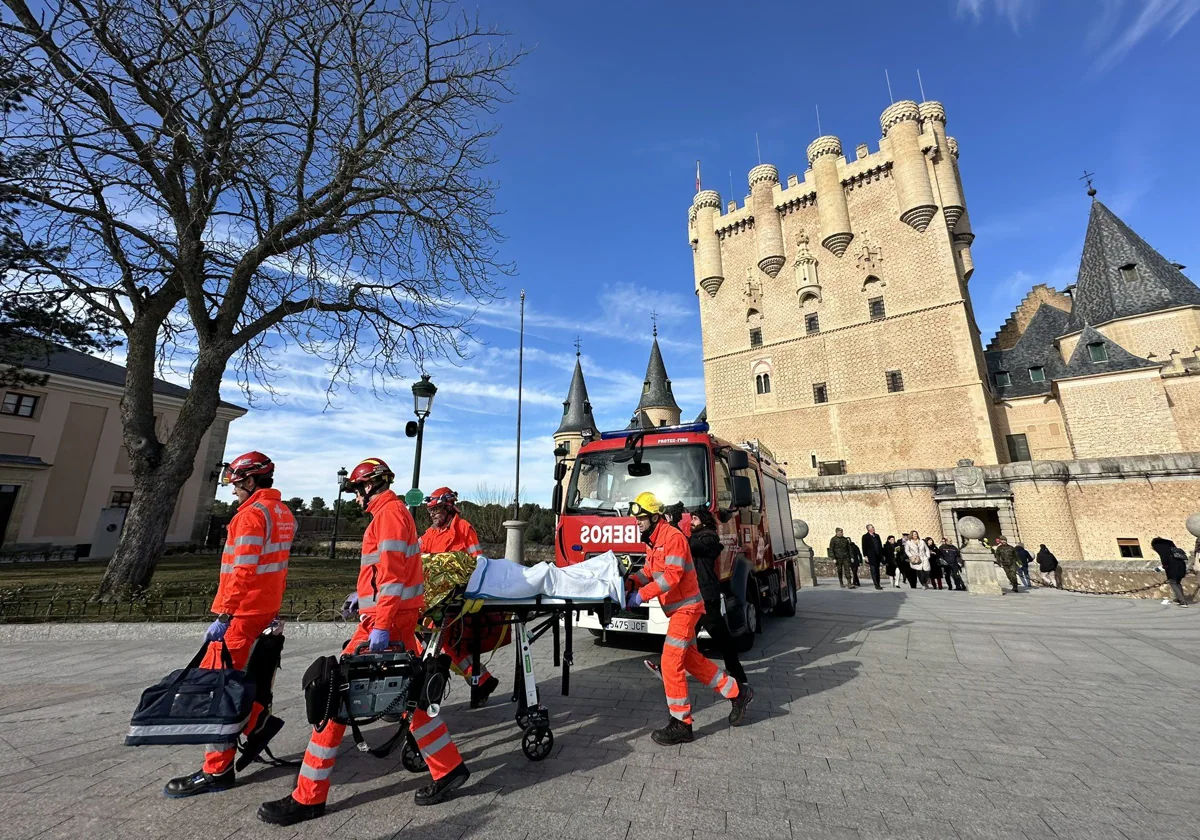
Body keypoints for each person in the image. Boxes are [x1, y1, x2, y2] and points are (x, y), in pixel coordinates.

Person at [259, 458, 470, 826]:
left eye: (356, 490)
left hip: (384, 623)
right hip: (392, 620)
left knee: (331, 696)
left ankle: (309, 796)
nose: (356, 498)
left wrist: (380, 623)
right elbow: (386, 575)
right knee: (411, 696)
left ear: (367, 486)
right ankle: (449, 767)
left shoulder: (388, 515)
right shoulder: (393, 513)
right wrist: (363, 597)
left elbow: (390, 578)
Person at [164, 451, 295, 798]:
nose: (234, 491)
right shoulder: (282, 513)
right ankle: (256, 723)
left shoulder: (251, 516)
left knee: (218, 691)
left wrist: (224, 613)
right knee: (253, 681)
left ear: (251, 481)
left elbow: (244, 570)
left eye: (237, 484)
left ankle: (217, 769)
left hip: (241, 615)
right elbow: (276, 567)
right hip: (265, 611)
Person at [626, 492, 752, 744]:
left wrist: (641, 595)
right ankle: (738, 693)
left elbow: (672, 576)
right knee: (692, 661)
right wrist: (631, 581)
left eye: (640, 518)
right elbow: (652, 570)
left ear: (654, 516)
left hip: (687, 608)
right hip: (678, 609)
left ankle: (681, 723)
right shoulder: (654, 539)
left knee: (670, 663)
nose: (637, 522)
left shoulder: (673, 537)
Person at [419, 487, 504, 708]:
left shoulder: (463, 528)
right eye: (431, 511)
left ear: (448, 508)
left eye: (436, 509)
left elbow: (478, 560)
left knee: (440, 641)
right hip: (434, 599)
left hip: (458, 598)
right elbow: (416, 555)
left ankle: (475, 682)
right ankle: (483, 680)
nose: (433, 514)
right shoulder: (430, 534)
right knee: (440, 642)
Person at [684, 506, 748, 688]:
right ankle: (668, 668)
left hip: (706, 595)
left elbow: (689, 545)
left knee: (721, 638)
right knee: (683, 636)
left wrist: (672, 524)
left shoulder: (710, 538)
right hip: (696, 595)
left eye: (695, 519)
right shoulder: (699, 536)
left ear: (704, 521)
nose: (691, 522)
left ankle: (737, 675)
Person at [1152, 537, 1189, 608]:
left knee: (1173, 582)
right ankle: (1179, 599)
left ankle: (1182, 601)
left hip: (1173, 567)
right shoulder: (1173, 549)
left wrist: (1162, 567)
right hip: (1181, 565)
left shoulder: (1163, 551)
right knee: (1177, 582)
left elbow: (1165, 561)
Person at [862, 525, 885, 590]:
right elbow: (864, 547)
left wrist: (882, 555)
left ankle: (878, 583)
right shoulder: (865, 537)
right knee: (873, 570)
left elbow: (880, 546)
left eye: (873, 527)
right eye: (872, 527)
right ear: (869, 529)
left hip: (878, 556)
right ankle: (876, 584)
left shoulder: (877, 536)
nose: (873, 528)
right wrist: (865, 556)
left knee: (877, 571)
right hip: (871, 556)